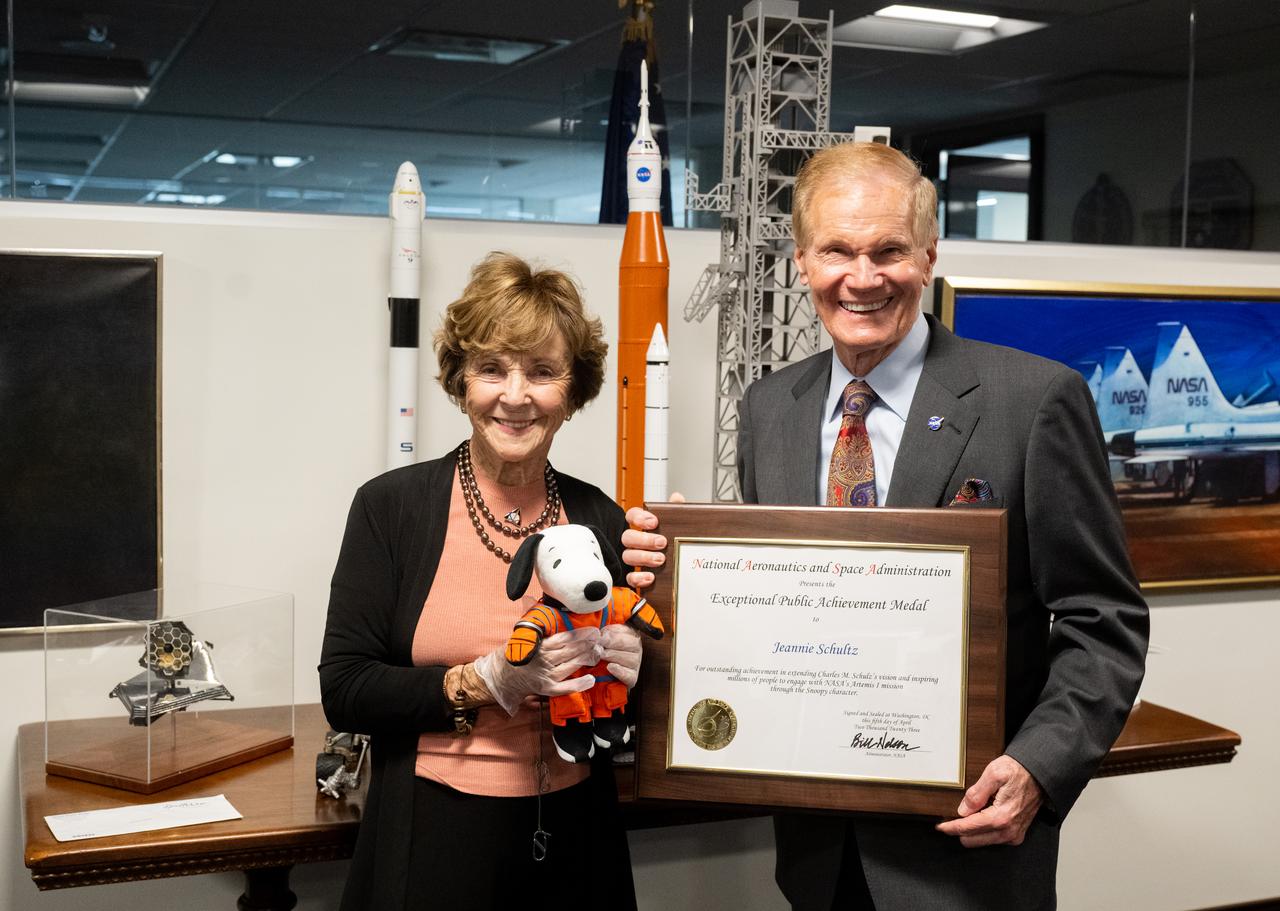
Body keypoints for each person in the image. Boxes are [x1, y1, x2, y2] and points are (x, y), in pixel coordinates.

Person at [623, 142, 1149, 910]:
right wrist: (669, 575)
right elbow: (773, 603)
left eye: (888, 251)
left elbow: (1105, 622)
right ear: (803, 261)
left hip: (965, 857)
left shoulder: (1034, 400)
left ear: (929, 255)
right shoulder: (772, 409)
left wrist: (1037, 767)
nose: (862, 277)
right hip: (816, 859)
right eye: (837, 249)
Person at [320, 252, 643, 911]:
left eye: (543, 371)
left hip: (578, 835)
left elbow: (635, 709)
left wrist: (642, 667)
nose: (516, 395)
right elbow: (346, 688)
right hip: (435, 835)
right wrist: (487, 681)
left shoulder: (604, 519)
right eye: (493, 368)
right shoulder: (391, 509)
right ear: (461, 380)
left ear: (573, 391)